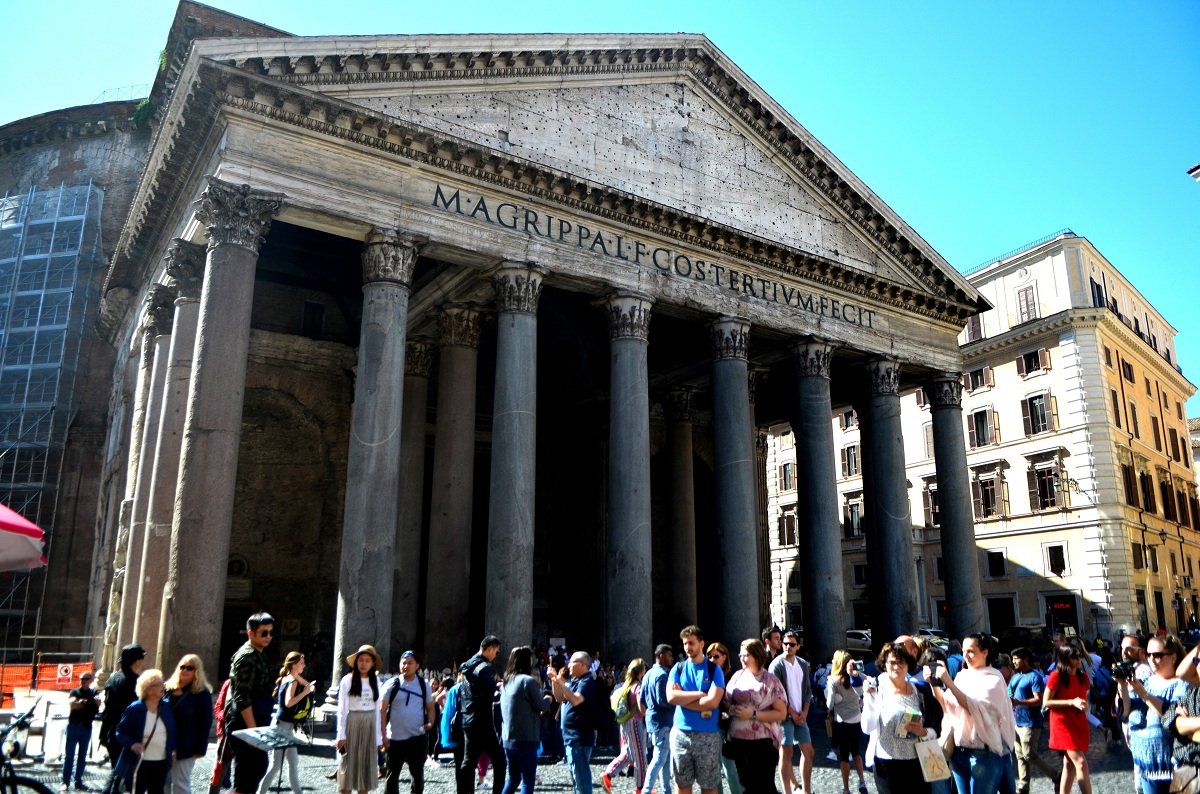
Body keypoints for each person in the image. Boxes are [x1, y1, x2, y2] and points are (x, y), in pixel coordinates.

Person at [934, 633, 1016, 794]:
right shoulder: (962, 676)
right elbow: (947, 705)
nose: (966, 655)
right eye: (964, 651)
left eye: (971, 651)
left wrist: (948, 682)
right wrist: (934, 684)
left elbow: (975, 707)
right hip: (959, 751)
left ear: (984, 652)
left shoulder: (994, 679)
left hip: (983, 754)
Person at [1121, 634, 1188, 793]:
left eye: (1157, 655)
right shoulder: (1148, 681)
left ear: (1173, 657)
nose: (1151, 659)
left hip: (1170, 762)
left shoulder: (1181, 683)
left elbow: (1171, 714)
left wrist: (1144, 694)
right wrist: (1122, 685)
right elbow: (1127, 709)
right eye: (1149, 654)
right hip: (1145, 762)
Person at [861, 643, 931, 794]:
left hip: (916, 762)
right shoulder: (877, 690)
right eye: (892, 662)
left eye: (901, 662)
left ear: (908, 665)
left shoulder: (920, 691)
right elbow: (867, 728)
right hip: (886, 763)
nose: (897, 667)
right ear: (884, 664)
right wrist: (870, 700)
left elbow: (935, 726)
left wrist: (922, 731)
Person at [666, 625, 725, 794]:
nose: (687, 647)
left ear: (701, 644)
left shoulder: (715, 670)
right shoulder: (678, 668)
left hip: (707, 735)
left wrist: (683, 697)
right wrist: (700, 694)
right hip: (680, 734)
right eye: (685, 644)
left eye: (691, 643)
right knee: (682, 784)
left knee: (709, 786)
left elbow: (713, 702)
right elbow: (671, 697)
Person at [722, 639, 786, 794]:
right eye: (740, 654)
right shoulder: (737, 676)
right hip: (738, 741)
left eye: (746, 655)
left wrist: (753, 714)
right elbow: (725, 701)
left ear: (757, 655)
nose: (742, 658)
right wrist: (731, 708)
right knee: (746, 786)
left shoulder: (769, 680)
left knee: (763, 787)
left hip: (762, 743)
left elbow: (781, 713)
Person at [229, 612, 276, 794]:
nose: (268, 637)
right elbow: (242, 697)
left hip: (256, 723)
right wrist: (253, 732)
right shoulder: (246, 657)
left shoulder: (259, 654)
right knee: (246, 779)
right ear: (251, 633)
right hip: (246, 726)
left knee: (257, 770)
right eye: (264, 633)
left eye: (271, 633)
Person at [258, 652, 315, 794]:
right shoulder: (293, 681)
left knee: (292, 764)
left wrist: (303, 682)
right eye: (301, 663)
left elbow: (308, 685)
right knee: (276, 765)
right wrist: (305, 693)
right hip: (282, 726)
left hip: (284, 726)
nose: (304, 665)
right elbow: (289, 703)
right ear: (294, 664)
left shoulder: (288, 678)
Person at [114, 669, 177, 794]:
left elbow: (172, 731)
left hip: (162, 761)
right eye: (158, 684)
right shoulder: (135, 708)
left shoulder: (166, 706)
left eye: (162, 683)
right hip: (140, 762)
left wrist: (173, 750)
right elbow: (120, 731)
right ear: (148, 690)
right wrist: (133, 744)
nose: (163, 686)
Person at [499, 646, 552, 794]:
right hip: (526, 738)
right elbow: (541, 705)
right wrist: (548, 698)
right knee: (527, 782)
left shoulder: (506, 681)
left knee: (513, 779)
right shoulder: (527, 681)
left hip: (508, 738)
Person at [382, 651, 437, 794]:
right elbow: (382, 711)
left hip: (417, 737)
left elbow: (430, 707)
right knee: (392, 776)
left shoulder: (423, 685)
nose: (406, 666)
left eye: (410, 663)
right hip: (395, 738)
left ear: (417, 666)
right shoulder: (391, 684)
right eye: (403, 662)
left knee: (417, 775)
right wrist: (383, 735)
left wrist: (430, 724)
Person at [458, 636, 505, 794]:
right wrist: (498, 687)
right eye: (496, 652)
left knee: (469, 762)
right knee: (500, 761)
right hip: (483, 720)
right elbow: (490, 693)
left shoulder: (467, 666)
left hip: (468, 718)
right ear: (490, 648)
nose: (496, 655)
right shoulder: (484, 668)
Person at [768, 630, 812, 794]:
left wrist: (805, 712)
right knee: (786, 753)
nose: (787, 647)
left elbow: (808, 690)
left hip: (801, 714)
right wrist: (792, 713)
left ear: (798, 646)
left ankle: (807, 791)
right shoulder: (776, 665)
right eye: (785, 644)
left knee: (809, 752)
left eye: (791, 644)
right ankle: (788, 791)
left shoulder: (802, 664)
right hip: (784, 716)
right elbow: (776, 694)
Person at [1043, 644, 1091, 794]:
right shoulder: (1056, 676)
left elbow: (1085, 698)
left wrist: (1083, 704)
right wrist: (1071, 702)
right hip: (1062, 724)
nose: (1079, 659)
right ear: (1065, 659)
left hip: (1078, 722)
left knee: (1069, 765)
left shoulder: (1083, 677)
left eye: (1079, 656)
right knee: (1081, 762)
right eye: (1074, 657)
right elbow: (1046, 702)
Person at [548, 652, 599, 794]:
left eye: (572, 662)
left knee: (581, 781)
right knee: (577, 779)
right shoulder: (574, 680)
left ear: (583, 665)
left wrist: (560, 682)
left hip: (579, 738)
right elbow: (559, 698)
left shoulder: (587, 681)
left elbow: (576, 700)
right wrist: (554, 680)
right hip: (570, 737)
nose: (568, 665)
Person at [1007, 648, 1055, 794]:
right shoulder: (1015, 676)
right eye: (1013, 659)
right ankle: (1023, 785)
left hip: (1031, 722)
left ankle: (1055, 775)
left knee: (1029, 754)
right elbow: (1009, 693)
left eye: (1016, 659)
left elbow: (1039, 700)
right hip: (1016, 721)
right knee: (1020, 755)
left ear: (1025, 659)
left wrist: (1019, 702)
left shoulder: (1035, 677)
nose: (1013, 662)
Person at [337, 645, 384, 794]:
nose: (363, 664)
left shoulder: (375, 681)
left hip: (370, 723)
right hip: (352, 722)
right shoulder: (347, 680)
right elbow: (342, 709)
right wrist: (341, 734)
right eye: (361, 660)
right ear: (356, 662)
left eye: (367, 661)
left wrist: (378, 738)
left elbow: (377, 709)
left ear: (372, 664)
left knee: (365, 769)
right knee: (348, 767)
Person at [163, 654, 213, 794]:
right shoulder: (167, 689)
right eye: (182, 667)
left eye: (190, 668)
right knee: (163, 782)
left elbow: (205, 722)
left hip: (186, 745)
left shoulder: (202, 694)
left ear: (196, 671)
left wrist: (201, 747)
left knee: (180, 783)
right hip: (163, 743)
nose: (185, 670)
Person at [602, 659, 648, 794]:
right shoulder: (637, 687)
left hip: (625, 722)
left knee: (628, 753)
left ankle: (608, 774)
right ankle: (641, 789)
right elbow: (642, 707)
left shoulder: (625, 686)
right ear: (642, 671)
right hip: (636, 723)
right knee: (640, 757)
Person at [825, 650, 868, 794]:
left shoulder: (833, 680)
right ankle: (862, 781)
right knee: (856, 752)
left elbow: (830, 703)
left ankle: (846, 788)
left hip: (842, 721)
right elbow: (867, 685)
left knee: (844, 756)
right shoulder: (858, 676)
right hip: (857, 718)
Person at [101, 644, 146, 767]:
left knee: (116, 770)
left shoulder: (113, 678)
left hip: (110, 729)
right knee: (123, 774)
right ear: (137, 661)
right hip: (126, 734)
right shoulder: (136, 681)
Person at [705, 643, 741, 794]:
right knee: (713, 770)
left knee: (730, 768)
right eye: (710, 656)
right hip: (707, 725)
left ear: (725, 657)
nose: (712, 659)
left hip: (725, 727)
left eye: (716, 656)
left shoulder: (731, 677)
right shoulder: (705, 676)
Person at [640, 644, 675, 794]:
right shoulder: (662, 675)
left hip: (653, 720)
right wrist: (678, 705)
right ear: (661, 656)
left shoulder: (648, 674)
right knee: (659, 758)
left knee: (664, 759)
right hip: (663, 721)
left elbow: (642, 699)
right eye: (669, 655)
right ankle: (646, 790)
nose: (672, 658)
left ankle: (666, 790)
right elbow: (663, 700)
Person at [64, 671, 101, 790]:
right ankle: (65, 782)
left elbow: (98, 703)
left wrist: (83, 703)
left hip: (86, 727)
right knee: (69, 756)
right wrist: (86, 704)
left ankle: (78, 781)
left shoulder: (93, 692)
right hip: (74, 726)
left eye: (86, 679)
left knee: (82, 757)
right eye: (81, 679)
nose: (83, 681)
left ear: (91, 680)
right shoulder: (75, 691)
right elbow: (73, 705)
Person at [440, 673, 465, 774]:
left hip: (458, 729)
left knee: (459, 762)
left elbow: (448, 715)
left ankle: (461, 789)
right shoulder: (478, 687)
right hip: (470, 730)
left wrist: (447, 735)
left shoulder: (455, 690)